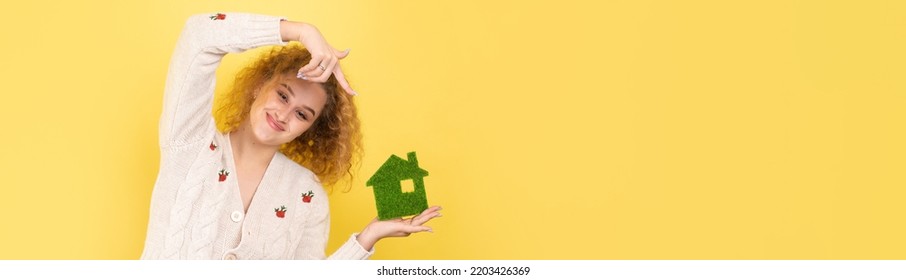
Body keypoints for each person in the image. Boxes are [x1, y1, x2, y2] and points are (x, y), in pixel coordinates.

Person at [141, 12, 441, 260]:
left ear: (311, 129)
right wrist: (300, 31)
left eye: (302, 114)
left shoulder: (306, 194)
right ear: (260, 85)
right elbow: (199, 35)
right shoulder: (190, 142)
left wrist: (366, 238)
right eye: (283, 95)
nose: (284, 115)